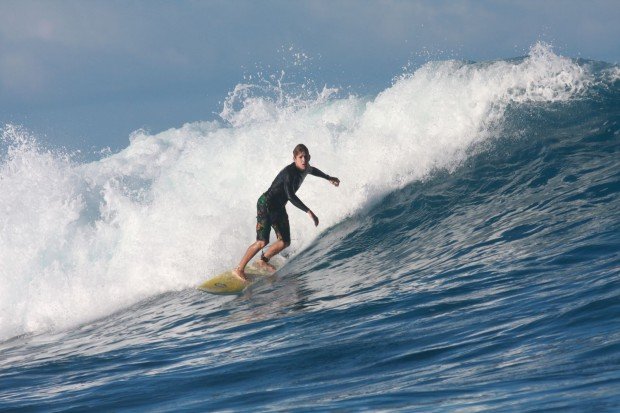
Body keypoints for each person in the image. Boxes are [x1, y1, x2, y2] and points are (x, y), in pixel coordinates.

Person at [233, 144, 340, 280]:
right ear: (294, 158)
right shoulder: (290, 173)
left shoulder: (306, 168)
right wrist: (309, 211)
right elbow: (290, 196)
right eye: (300, 157)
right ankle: (239, 269)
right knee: (262, 242)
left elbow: (313, 170)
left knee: (284, 241)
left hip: (279, 207)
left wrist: (328, 177)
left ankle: (262, 261)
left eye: (306, 157)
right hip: (266, 204)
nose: (303, 160)